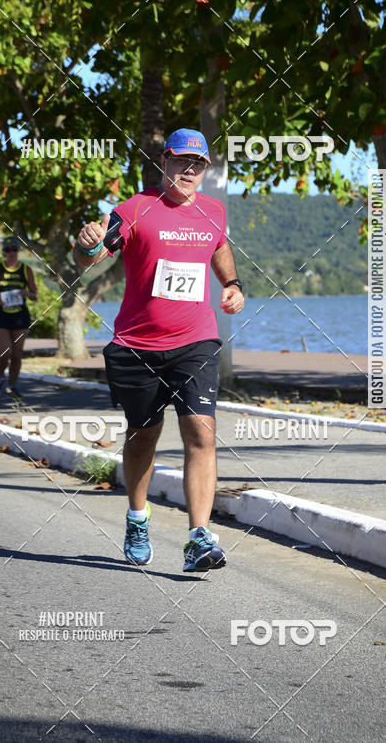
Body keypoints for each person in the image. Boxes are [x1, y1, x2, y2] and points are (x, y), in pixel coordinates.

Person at [73, 128, 244, 572]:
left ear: (205, 169)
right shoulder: (135, 209)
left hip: (196, 341)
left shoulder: (213, 211)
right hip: (138, 345)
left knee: (201, 432)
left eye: (198, 164)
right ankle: (136, 515)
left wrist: (232, 283)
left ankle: (198, 537)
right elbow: (92, 257)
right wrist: (83, 244)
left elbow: (219, 246)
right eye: (181, 161)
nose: (189, 170)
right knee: (143, 433)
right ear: (164, 162)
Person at [0, 236, 38, 401]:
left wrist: (25, 293)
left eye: (14, 249)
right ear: (4, 252)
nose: (11, 253)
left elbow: (35, 294)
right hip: (1, 316)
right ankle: (0, 378)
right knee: (4, 352)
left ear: (18, 251)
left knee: (17, 354)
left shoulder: (26, 270)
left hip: (20, 317)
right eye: (8, 250)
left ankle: (12, 386)